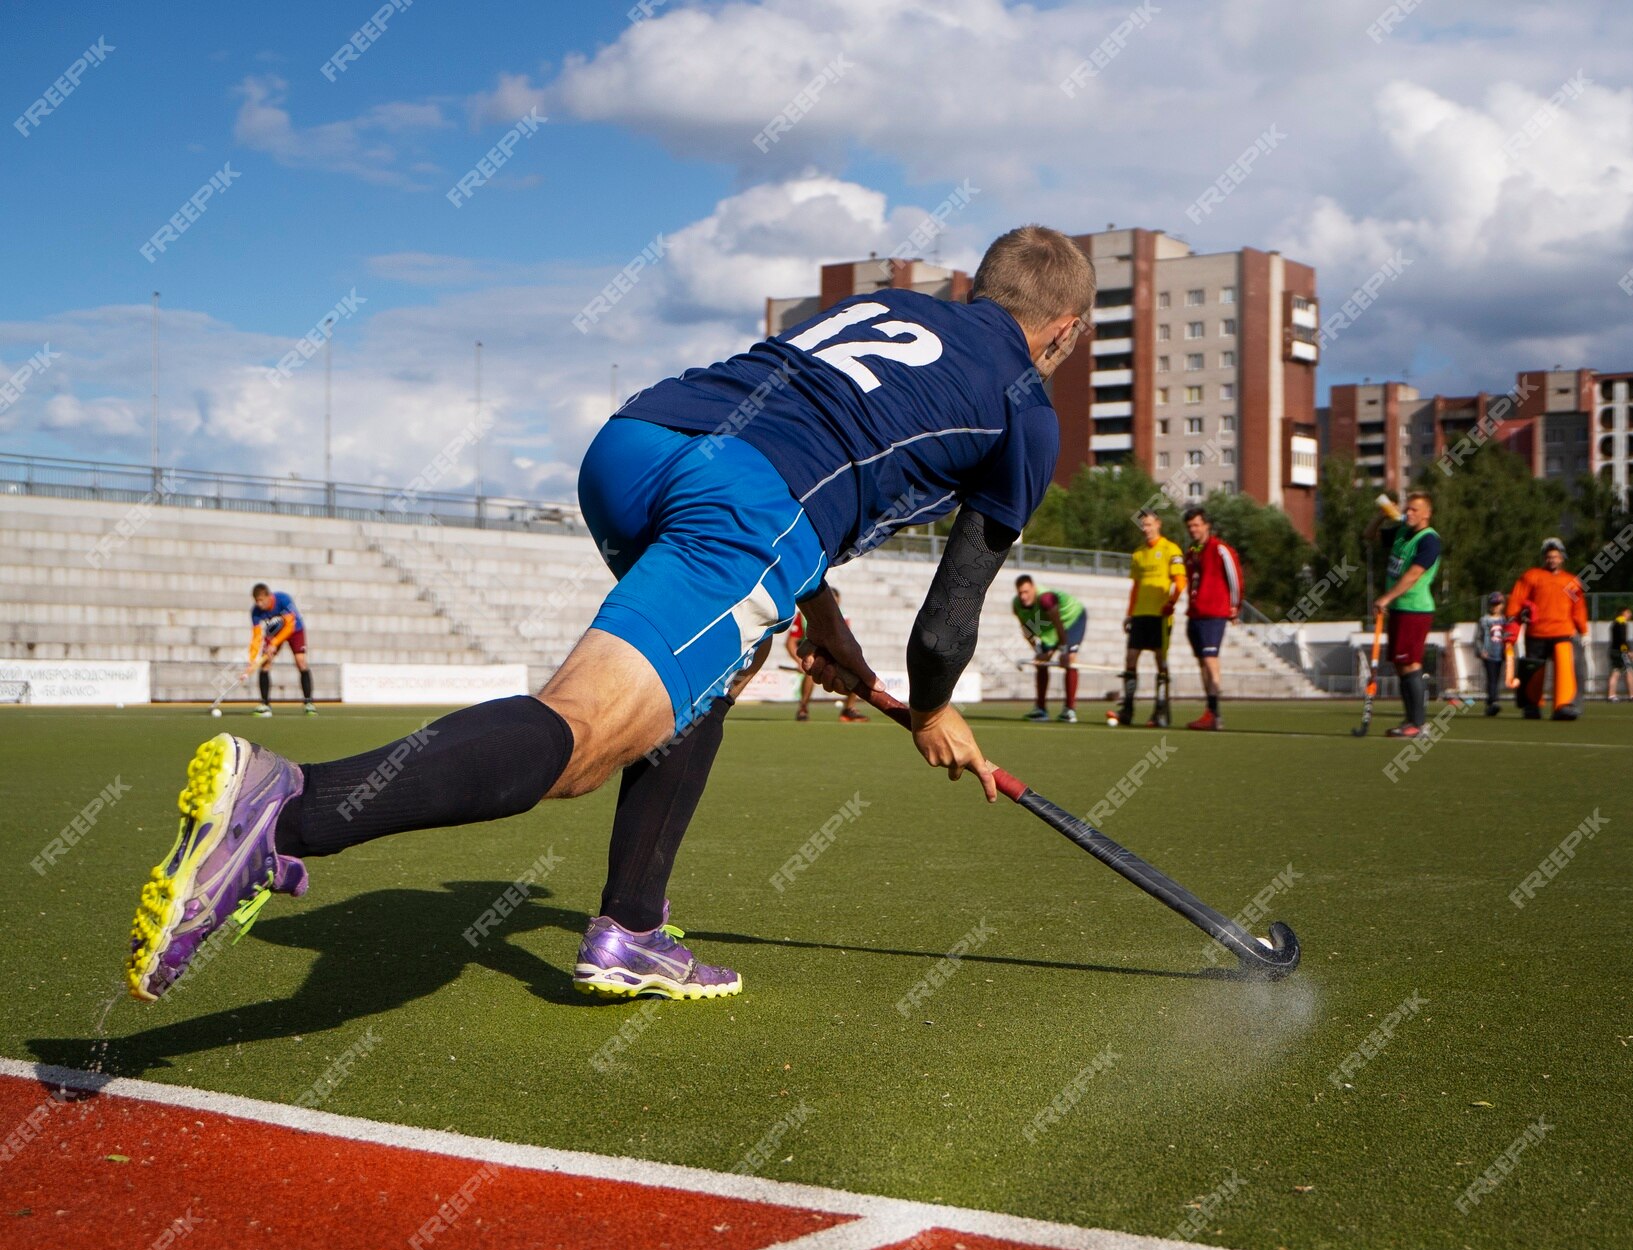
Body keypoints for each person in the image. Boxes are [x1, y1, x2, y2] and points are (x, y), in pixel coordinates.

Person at [123, 224, 1094, 1005]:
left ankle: (630, 927)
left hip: (638, 443)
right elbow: (946, 618)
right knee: (582, 737)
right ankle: (289, 808)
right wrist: (931, 707)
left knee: (704, 680)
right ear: (1064, 330)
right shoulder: (1026, 408)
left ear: (976, 290)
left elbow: (821, 424)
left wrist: (820, 613)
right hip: (750, 500)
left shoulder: (896, 304)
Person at [1365, 491, 1441, 739]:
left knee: (1410, 663)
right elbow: (1369, 537)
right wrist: (1380, 516)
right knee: (1401, 664)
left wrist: (1386, 597)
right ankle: (1411, 719)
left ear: (1427, 513)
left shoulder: (1429, 540)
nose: (1409, 513)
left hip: (1414, 608)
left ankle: (1417, 724)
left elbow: (1413, 574)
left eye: (1415, 510)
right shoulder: (1401, 532)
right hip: (1399, 609)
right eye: (1407, 509)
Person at [1114, 510, 1185, 727]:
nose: (1146, 529)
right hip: (1140, 615)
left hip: (1160, 616)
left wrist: (1171, 604)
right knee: (1131, 659)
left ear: (1158, 524)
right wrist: (1129, 614)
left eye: (1149, 524)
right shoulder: (1138, 554)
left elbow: (1180, 582)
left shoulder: (1170, 549)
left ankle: (1161, 711)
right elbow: (1135, 588)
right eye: (1143, 525)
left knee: (1160, 661)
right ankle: (1127, 709)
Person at [1505, 538, 1588, 721]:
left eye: (1556, 557)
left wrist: (1583, 629)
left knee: (1565, 671)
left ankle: (1564, 705)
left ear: (1562, 558)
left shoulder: (1571, 581)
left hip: (1563, 633)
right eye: (1549, 557)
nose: (1552, 560)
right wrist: (1512, 618)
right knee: (1534, 672)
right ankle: (1531, 705)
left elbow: (1578, 608)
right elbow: (1517, 600)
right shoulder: (1531, 576)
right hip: (1537, 632)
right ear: (1544, 558)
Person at [1180, 506, 1242, 731]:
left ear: (1206, 525)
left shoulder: (1220, 549)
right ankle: (1209, 712)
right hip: (1194, 614)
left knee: (1210, 660)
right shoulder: (1191, 552)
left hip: (1213, 613)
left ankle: (1215, 714)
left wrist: (1235, 606)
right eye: (1189, 526)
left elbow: (1234, 577)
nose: (1193, 530)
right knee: (1202, 664)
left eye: (1196, 525)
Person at [784, 587, 866, 722]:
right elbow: (790, 643)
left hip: (835, 655)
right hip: (812, 654)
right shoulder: (804, 616)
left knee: (857, 673)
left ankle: (848, 710)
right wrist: (798, 661)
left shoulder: (843, 617)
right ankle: (803, 708)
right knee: (810, 674)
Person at [1012, 574, 1085, 723]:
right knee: (1041, 663)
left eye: (1026, 592)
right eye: (1020, 593)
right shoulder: (1017, 604)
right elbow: (1027, 631)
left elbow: (1060, 626)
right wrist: (1039, 653)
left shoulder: (1046, 599)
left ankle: (1069, 710)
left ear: (1033, 588)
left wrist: (1064, 651)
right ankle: (1040, 709)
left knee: (1070, 659)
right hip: (1047, 624)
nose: (1024, 596)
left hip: (1071, 619)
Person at [248, 583, 314, 717]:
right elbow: (256, 637)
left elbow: (290, 625)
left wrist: (275, 643)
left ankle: (308, 702)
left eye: (262, 600)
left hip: (295, 630)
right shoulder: (255, 611)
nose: (259, 604)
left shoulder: (283, 599)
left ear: (269, 596)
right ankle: (265, 704)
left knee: (301, 661)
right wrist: (252, 660)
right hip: (273, 633)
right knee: (265, 664)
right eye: (257, 601)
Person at [1475, 591, 1508, 717]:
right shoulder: (1484, 620)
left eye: (1498, 604)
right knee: (1491, 678)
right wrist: (1480, 650)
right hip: (1488, 653)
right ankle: (1493, 701)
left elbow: (1509, 636)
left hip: (1501, 653)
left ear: (1502, 605)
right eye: (1493, 604)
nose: (1495, 606)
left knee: (1497, 678)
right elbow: (1478, 637)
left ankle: (1492, 701)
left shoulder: (1505, 620)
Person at [1607, 606, 1633, 702]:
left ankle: (1611, 696)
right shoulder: (1622, 622)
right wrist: (1628, 650)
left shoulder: (1615, 622)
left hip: (1614, 650)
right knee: (1629, 672)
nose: (1630, 615)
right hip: (1621, 651)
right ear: (1623, 613)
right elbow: (1622, 639)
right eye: (1628, 612)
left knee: (1616, 672)